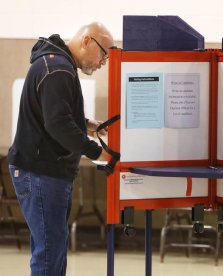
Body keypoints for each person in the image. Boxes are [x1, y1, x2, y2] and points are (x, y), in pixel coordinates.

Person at [8, 22, 114, 275]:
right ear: (87, 40)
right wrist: (99, 153)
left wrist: (87, 124)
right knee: (49, 256)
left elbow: (56, 113)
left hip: (44, 172)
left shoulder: (56, 63)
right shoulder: (57, 69)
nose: (104, 62)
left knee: (50, 250)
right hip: (41, 172)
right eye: (104, 54)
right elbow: (58, 125)